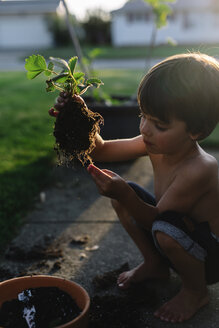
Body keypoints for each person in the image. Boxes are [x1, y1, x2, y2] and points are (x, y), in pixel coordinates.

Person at [56, 53, 219, 323]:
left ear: (197, 132)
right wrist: (77, 112)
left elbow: (157, 221)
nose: (145, 129)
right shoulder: (153, 143)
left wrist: (124, 193)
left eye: (160, 125)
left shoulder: (200, 168)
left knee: (157, 225)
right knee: (126, 198)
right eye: (143, 115)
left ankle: (195, 291)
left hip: (209, 259)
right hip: (178, 232)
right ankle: (155, 265)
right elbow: (102, 150)